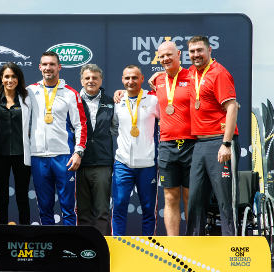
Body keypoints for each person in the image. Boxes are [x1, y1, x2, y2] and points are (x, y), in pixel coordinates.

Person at [185, 35, 239, 236]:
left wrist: (226, 143)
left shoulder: (219, 73)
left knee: (225, 199)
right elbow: (170, 78)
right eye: (192, 51)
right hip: (199, 143)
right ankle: (194, 247)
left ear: (209, 51)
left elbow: (232, 107)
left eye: (200, 50)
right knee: (196, 200)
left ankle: (229, 247)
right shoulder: (192, 72)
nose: (196, 55)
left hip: (220, 141)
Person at [28, 51, 87, 225]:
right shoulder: (30, 90)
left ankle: (69, 247)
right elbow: (4, 95)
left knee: (68, 207)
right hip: (38, 156)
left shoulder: (70, 93)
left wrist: (78, 152)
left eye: (52, 64)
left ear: (59, 67)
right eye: (45, 64)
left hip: (64, 156)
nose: (48, 68)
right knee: (45, 208)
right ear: (40, 67)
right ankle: (50, 247)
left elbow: (81, 125)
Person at [152, 41, 196, 236]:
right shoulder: (158, 80)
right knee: (170, 198)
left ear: (179, 54)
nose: (165, 59)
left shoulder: (193, 76)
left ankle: (192, 241)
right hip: (167, 146)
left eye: (169, 55)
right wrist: (121, 93)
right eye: (161, 56)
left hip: (192, 144)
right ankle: (174, 246)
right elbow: (142, 97)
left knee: (190, 196)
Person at [111, 64, 160, 236]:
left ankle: (149, 245)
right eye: (127, 78)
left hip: (147, 164)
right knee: (119, 206)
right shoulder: (117, 101)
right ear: (122, 80)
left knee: (148, 209)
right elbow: (113, 127)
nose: (130, 81)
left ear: (142, 79)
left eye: (134, 77)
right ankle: (118, 245)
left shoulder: (153, 100)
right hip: (122, 163)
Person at [0, 62, 32, 225]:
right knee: (2, 197)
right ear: (1, 78)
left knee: (22, 197)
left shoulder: (27, 98)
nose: (10, 80)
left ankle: (26, 235)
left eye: (13, 76)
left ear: (19, 79)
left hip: (22, 155)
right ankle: (2, 235)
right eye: (7, 76)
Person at [77, 64, 115, 235]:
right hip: (79, 164)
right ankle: (86, 250)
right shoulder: (72, 100)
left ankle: (103, 249)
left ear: (101, 80)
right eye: (87, 78)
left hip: (102, 163)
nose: (91, 81)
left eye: (94, 78)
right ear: (82, 80)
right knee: (83, 213)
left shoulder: (112, 101)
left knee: (103, 213)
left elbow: (115, 129)